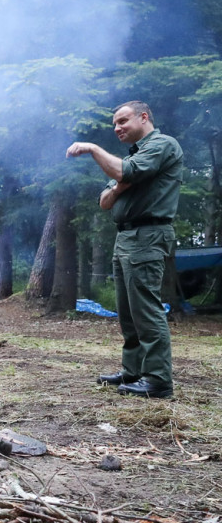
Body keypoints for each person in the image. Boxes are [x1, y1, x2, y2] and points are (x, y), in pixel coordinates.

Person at [67, 101, 182, 399]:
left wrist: (93, 148)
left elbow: (125, 172)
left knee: (146, 309)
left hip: (148, 234)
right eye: (114, 124)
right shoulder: (135, 154)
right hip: (127, 237)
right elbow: (105, 201)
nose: (117, 128)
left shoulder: (162, 145)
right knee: (128, 312)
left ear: (144, 117)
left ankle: (157, 380)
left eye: (122, 121)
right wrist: (121, 184)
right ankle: (133, 372)